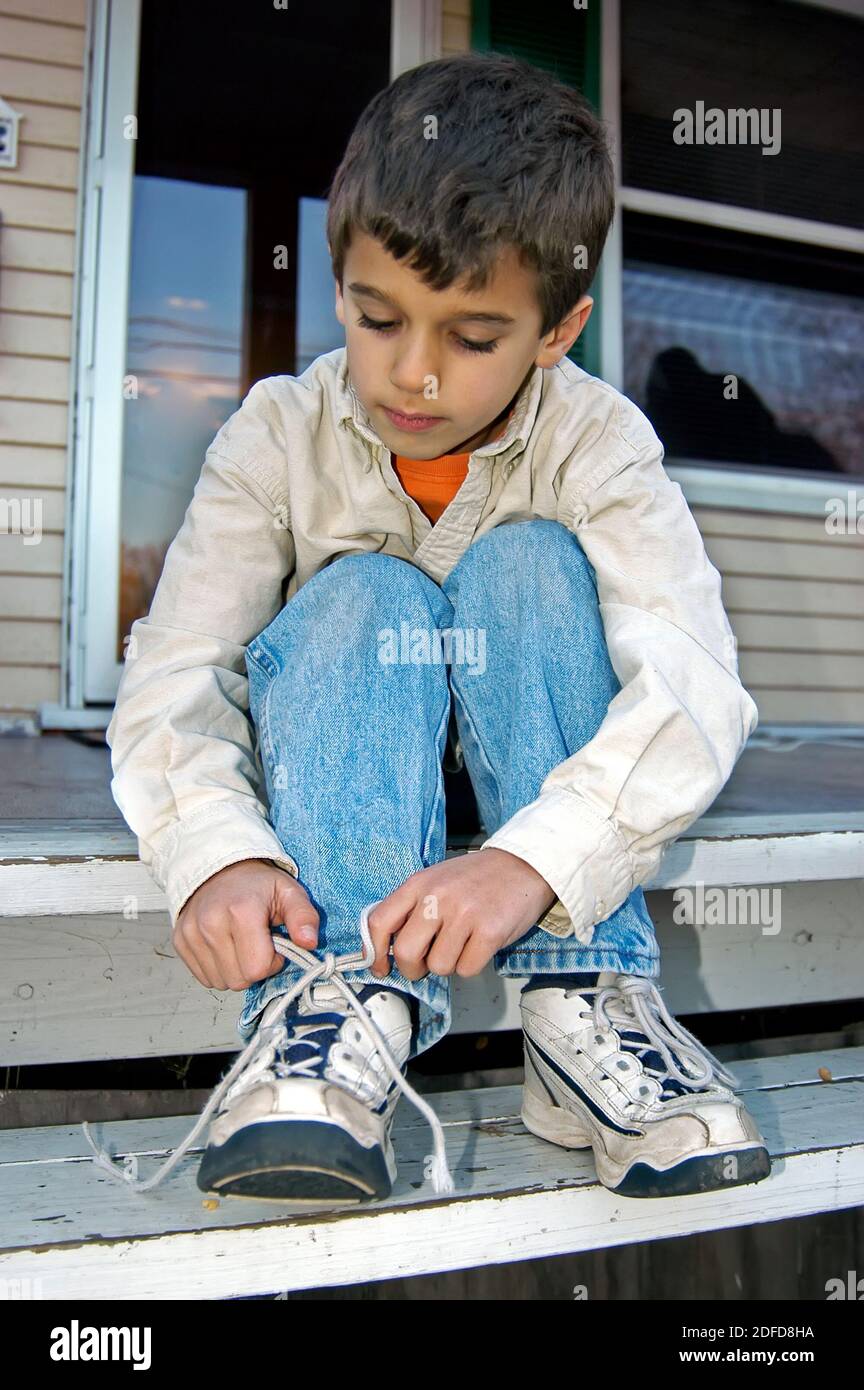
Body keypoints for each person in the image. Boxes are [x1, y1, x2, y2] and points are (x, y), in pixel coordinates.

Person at [93, 52, 771, 1206]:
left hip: (544, 812)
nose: (412, 374)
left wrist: (526, 861)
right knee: (365, 592)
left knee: (530, 563)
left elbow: (696, 682)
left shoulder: (600, 443)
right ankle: (330, 1009)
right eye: (377, 317)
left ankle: (580, 999)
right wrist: (216, 849)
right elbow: (176, 672)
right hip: (344, 810)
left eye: (472, 335)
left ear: (558, 330)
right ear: (340, 286)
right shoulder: (276, 435)